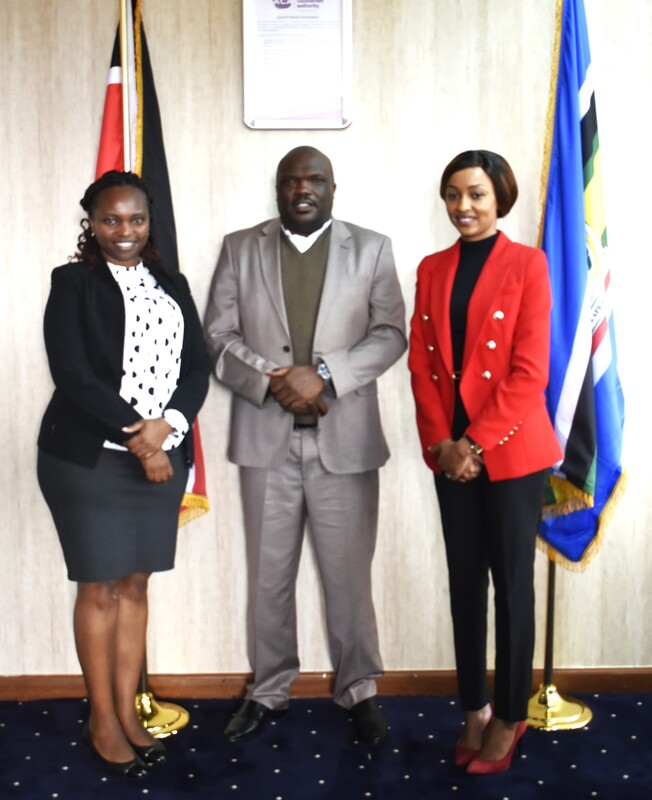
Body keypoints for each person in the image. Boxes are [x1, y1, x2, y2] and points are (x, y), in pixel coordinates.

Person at [204, 146, 406, 745]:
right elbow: (218, 335)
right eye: (291, 181)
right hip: (266, 442)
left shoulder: (371, 249)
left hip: (345, 443)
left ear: (333, 189)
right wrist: (275, 381)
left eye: (314, 180)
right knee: (268, 578)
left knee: (348, 578)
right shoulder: (240, 248)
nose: (302, 190)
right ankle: (268, 688)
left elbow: (390, 333)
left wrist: (324, 375)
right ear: (278, 189)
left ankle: (359, 689)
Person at [37, 171, 210, 778]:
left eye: (135, 219)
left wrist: (171, 426)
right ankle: (103, 720)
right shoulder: (73, 283)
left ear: (148, 220)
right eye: (110, 220)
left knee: (135, 587)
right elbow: (72, 374)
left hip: (162, 452)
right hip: (89, 460)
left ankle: (131, 712)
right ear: (91, 222)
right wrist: (142, 440)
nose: (124, 231)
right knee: (100, 590)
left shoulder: (172, 283)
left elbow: (197, 366)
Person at [408, 151, 562, 775]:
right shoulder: (431, 268)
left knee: (513, 588)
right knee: (465, 583)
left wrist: (474, 444)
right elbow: (421, 363)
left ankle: (510, 714)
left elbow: (529, 372)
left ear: (500, 197)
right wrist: (442, 445)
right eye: (452, 194)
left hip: (512, 453)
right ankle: (473, 707)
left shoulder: (529, 264)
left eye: (475, 194)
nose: (462, 206)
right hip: (451, 455)